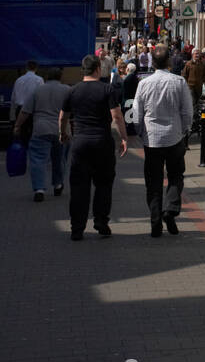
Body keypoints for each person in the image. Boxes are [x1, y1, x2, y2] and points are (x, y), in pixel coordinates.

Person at [60, 54, 127, 240]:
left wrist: (62, 133)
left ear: (83, 70)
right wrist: (123, 138)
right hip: (102, 142)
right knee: (103, 184)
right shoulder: (107, 89)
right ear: (98, 69)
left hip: (80, 142)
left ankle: (77, 228)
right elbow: (117, 116)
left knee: (79, 187)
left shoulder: (72, 91)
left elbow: (63, 116)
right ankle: (101, 221)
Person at [133, 44, 193, 237]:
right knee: (176, 175)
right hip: (174, 136)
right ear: (169, 62)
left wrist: (140, 132)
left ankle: (155, 222)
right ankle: (171, 209)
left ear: (152, 62)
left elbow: (137, 113)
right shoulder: (179, 82)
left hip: (152, 139)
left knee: (153, 181)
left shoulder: (144, 83)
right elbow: (187, 111)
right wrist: (185, 130)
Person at [15, 67, 71, 202]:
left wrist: (17, 125)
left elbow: (25, 111)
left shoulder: (37, 90)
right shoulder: (67, 90)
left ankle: (39, 189)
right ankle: (58, 184)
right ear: (60, 77)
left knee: (38, 159)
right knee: (59, 159)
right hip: (61, 129)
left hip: (41, 129)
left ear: (46, 77)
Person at [121, 60, 140, 137]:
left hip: (128, 99)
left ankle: (129, 131)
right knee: (131, 116)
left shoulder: (128, 78)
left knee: (128, 116)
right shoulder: (134, 77)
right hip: (132, 98)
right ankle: (131, 129)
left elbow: (124, 90)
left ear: (128, 69)